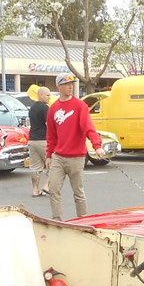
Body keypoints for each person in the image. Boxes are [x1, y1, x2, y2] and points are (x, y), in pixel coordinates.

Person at [45, 73, 104, 221]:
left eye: (72, 84)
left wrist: (97, 146)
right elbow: (51, 135)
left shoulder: (80, 106)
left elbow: (89, 127)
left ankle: (83, 220)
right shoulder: (53, 108)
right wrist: (49, 155)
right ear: (59, 86)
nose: (70, 87)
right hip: (59, 156)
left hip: (76, 157)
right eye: (66, 84)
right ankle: (57, 220)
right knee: (53, 189)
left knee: (78, 192)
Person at [28, 86, 51, 197]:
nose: (49, 97)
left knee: (35, 167)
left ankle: (35, 190)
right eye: (47, 95)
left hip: (32, 140)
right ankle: (47, 186)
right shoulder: (45, 108)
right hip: (43, 140)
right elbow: (49, 125)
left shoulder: (32, 108)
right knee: (53, 164)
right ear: (40, 95)